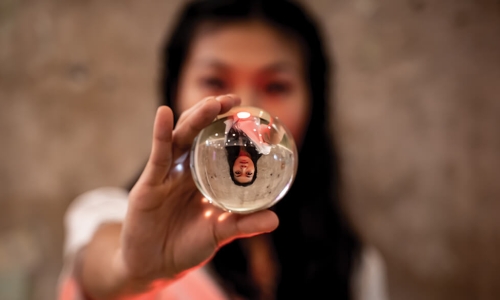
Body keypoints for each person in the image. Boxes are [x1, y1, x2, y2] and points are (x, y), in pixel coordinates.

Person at [57, 0, 384, 299]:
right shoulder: (112, 215)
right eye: (214, 81)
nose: (246, 112)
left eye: (276, 86)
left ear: (314, 102)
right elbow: (102, 268)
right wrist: (131, 269)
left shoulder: (355, 266)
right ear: (174, 93)